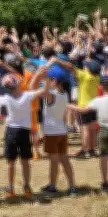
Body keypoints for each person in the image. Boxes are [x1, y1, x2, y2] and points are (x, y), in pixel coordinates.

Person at [69, 69, 108, 193]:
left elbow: (84, 110)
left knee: (104, 157)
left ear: (101, 86)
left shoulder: (97, 100)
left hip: (103, 132)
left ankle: (105, 182)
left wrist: (70, 106)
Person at [0, 62, 43, 199]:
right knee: (25, 161)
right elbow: (43, 90)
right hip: (24, 132)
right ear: (18, 84)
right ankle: (27, 187)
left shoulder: (6, 99)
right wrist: (43, 74)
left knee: (10, 162)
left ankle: (11, 188)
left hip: (11, 131)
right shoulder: (27, 96)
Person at [30, 64, 77, 195]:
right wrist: (44, 78)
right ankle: (72, 186)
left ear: (54, 81)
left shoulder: (52, 95)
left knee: (54, 160)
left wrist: (40, 76)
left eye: (50, 79)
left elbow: (32, 88)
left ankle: (52, 185)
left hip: (52, 133)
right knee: (65, 160)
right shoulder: (64, 95)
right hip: (62, 132)